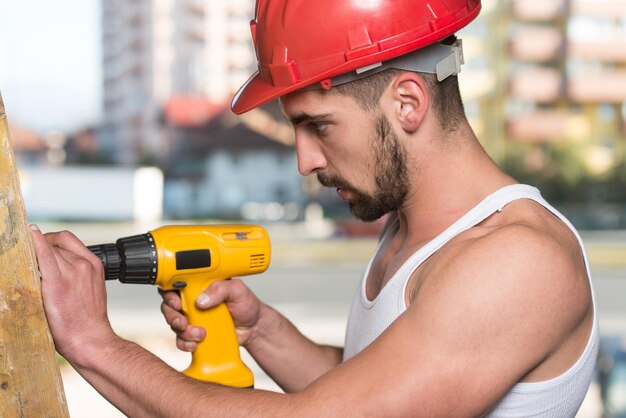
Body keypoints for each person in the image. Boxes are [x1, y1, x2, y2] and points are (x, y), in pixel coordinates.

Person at [31, 0, 599, 416]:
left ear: (408, 102)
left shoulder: (516, 261)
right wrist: (264, 331)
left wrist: (93, 342)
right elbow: (373, 388)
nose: (304, 160)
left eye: (318, 125)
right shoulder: (410, 232)